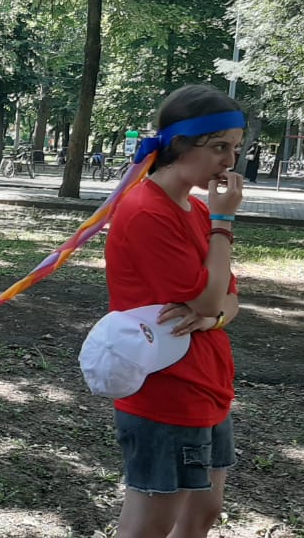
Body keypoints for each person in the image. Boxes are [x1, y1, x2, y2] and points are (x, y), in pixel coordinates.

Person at [104, 84, 244, 538]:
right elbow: (208, 296)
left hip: (208, 385)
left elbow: (229, 300)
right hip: (165, 392)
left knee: (204, 513)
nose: (230, 162)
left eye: (236, 148)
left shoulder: (196, 211)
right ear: (180, 144)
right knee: (149, 526)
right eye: (219, 147)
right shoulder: (147, 210)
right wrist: (223, 223)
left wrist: (213, 317)